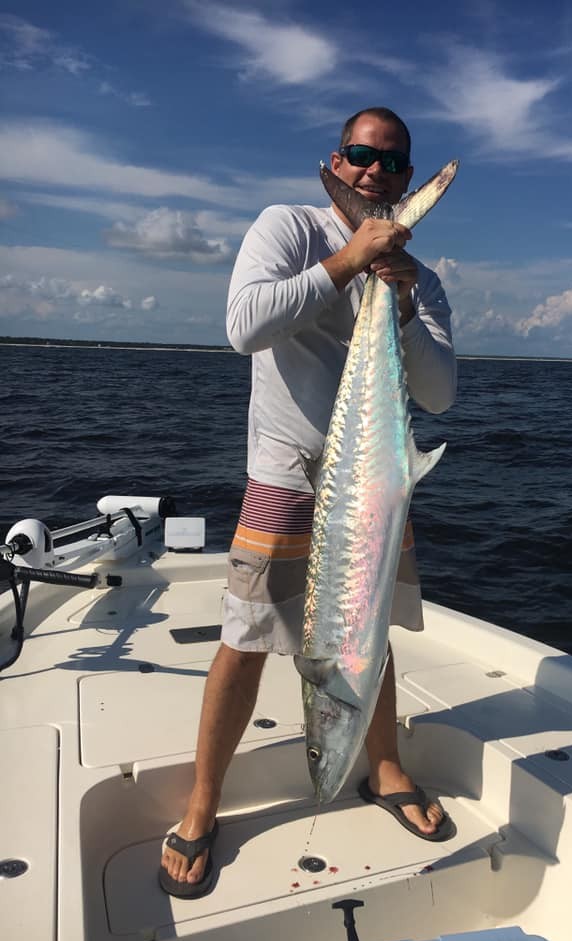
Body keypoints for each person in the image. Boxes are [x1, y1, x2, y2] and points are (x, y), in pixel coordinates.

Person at [159, 106, 457, 898]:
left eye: (392, 164)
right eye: (362, 156)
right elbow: (244, 327)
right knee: (248, 635)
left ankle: (383, 766)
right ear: (338, 160)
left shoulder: (417, 277)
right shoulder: (286, 226)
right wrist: (348, 258)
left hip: (376, 479)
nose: (376, 174)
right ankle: (201, 805)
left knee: (368, 630)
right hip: (288, 475)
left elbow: (439, 392)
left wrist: (396, 298)